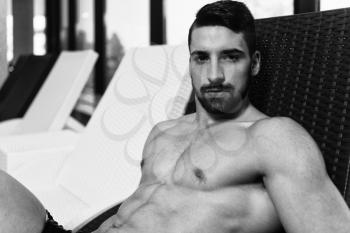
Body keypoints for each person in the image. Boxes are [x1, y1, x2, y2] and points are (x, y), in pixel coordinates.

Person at [0, 1, 349, 233]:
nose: (214, 74)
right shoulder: (163, 133)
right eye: (201, 58)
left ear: (254, 63)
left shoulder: (274, 138)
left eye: (229, 57)